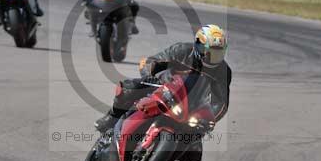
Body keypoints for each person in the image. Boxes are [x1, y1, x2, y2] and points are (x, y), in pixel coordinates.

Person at [95, 25, 232, 141]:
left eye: (218, 54)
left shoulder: (223, 70)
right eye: (209, 52)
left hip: (191, 106)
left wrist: (209, 119)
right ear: (199, 45)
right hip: (163, 88)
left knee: (194, 152)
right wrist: (151, 76)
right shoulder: (182, 51)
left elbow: (221, 103)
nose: (213, 58)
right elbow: (151, 62)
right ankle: (111, 118)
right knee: (129, 89)